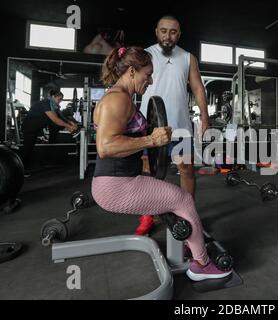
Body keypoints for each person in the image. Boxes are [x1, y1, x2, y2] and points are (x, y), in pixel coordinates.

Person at [91, 46, 232, 281]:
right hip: (115, 186)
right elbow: (105, 147)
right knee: (183, 199)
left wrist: (149, 142)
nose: (151, 80)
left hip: (120, 179)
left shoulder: (122, 97)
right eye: (148, 74)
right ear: (133, 71)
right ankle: (202, 264)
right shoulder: (117, 100)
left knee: (172, 199)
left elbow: (126, 139)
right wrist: (151, 139)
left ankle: (191, 245)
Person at [135, 15, 209, 235]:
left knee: (186, 171)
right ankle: (148, 216)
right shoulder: (145, 55)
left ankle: (188, 213)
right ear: (157, 31)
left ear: (179, 34)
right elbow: (132, 85)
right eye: (164, 31)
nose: (168, 36)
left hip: (181, 127)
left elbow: (197, 88)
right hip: (150, 127)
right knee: (149, 174)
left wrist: (205, 116)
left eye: (173, 31)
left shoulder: (188, 58)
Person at [21, 89, 79, 173]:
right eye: (59, 99)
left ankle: (25, 168)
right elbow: (55, 119)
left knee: (29, 148)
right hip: (29, 127)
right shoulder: (46, 103)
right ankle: (20, 169)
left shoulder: (54, 105)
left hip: (35, 128)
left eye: (61, 100)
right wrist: (69, 127)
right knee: (27, 148)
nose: (60, 102)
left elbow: (61, 116)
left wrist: (70, 122)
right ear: (53, 97)